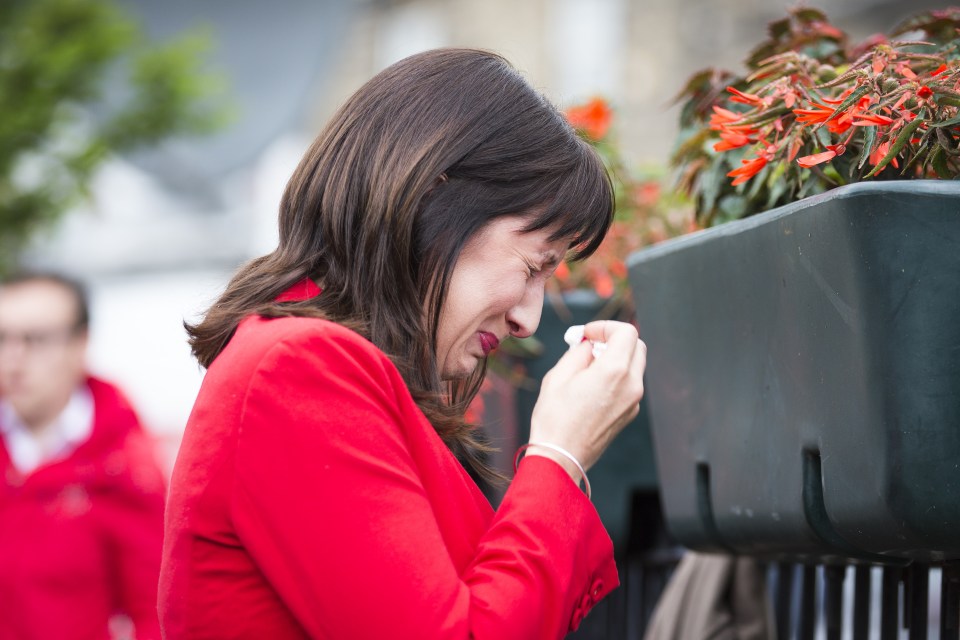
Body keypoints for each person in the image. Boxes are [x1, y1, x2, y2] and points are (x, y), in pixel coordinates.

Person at [159, 48, 647, 639]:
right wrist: (559, 457)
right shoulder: (298, 367)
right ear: (434, 201)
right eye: (533, 265)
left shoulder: (320, 365)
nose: (529, 316)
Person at [0, 272, 166, 640]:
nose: (13, 358)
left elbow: (153, 609)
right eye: (2, 338)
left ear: (81, 343)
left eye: (36, 340)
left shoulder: (123, 464)